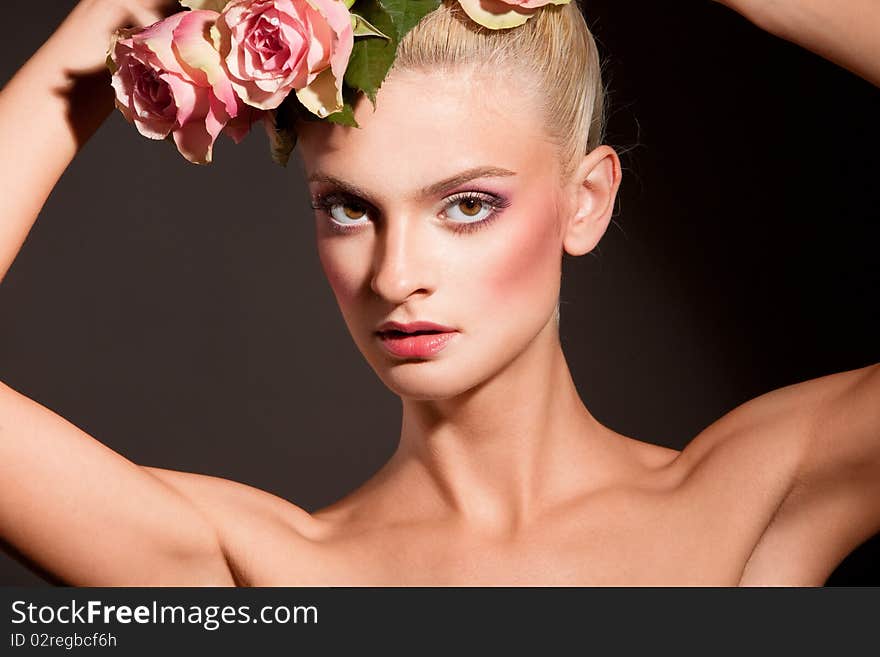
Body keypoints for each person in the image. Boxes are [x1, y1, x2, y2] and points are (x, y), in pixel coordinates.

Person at [0, 0, 877, 586]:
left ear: (587, 202)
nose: (392, 275)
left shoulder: (761, 494)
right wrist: (120, 16)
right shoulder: (254, 569)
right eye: (349, 209)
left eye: (466, 204)